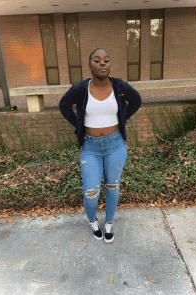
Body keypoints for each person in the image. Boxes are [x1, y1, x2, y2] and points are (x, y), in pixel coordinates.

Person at [59, 48, 141, 244]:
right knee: (91, 192)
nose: (102, 63)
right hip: (91, 148)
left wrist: (122, 118)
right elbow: (64, 105)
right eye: (97, 60)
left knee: (112, 187)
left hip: (115, 145)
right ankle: (93, 220)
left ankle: (109, 222)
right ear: (90, 66)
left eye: (106, 60)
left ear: (110, 64)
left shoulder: (119, 86)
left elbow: (136, 100)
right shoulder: (80, 88)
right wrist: (79, 125)